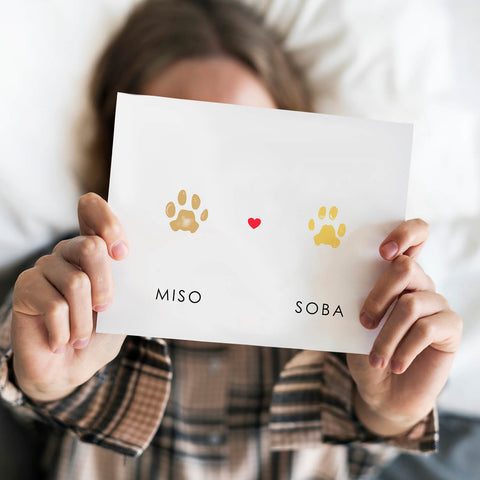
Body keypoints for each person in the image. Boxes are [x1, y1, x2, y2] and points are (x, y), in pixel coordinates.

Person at [0, 0, 462, 479]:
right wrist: (46, 384)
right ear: (121, 153)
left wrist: (390, 412)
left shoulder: (355, 299)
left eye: (248, 146)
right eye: (183, 146)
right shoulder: (62, 282)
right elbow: (28, 381)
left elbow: (371, 429)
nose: (218, 184)